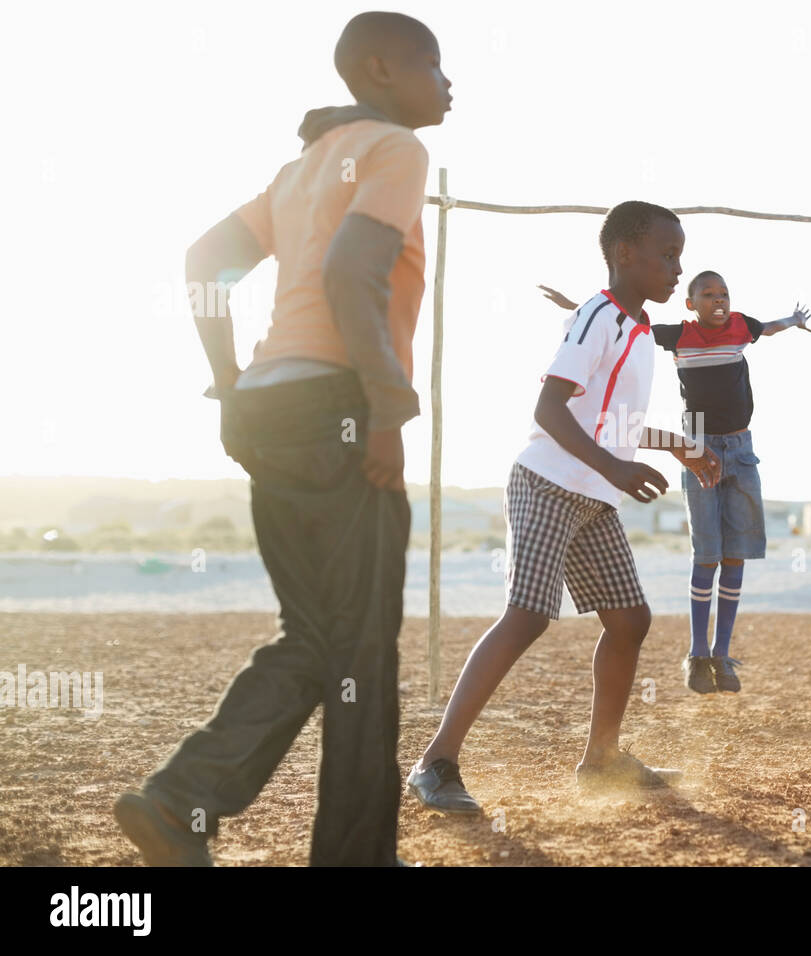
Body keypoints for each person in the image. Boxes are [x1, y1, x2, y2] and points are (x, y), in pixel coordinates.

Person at [113, 12, 451, 866]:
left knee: (318, 637)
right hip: (338, 410)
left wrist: (230, 386)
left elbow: (203, 260)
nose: (448, 85)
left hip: (272, 410)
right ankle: (338, 852)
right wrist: (385, 406)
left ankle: (182, 804)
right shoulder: (394, 150)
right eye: (432, 65)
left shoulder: (299, 170)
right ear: (380, 69)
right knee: (359, 646)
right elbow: (351, 270)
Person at [407, 202, 722, 815]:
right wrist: (615, 467)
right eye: (666, 254)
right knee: (527, 616)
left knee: (630, 620)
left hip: (594, 497)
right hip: (548, 482)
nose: (676, 268)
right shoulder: (596, 317)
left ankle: (602, 761)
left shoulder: (637, 335)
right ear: (624, 254)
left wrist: (679, 445)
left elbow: (614, 424)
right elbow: (549, 411)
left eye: (680, 256)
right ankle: (435, 762)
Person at [541, 271, 811, 694]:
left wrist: (794, 320)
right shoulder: (676, 334)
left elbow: (771, 329)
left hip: (741, 448)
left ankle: (722, 656)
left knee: (735, 554)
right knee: (707, 554)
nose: (718, 301)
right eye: (708, 295)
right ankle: (697, 655)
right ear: (691, 304)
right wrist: (574, 306)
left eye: (724, 294)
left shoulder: (743, 325)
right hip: (697, 442)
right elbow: (623, 322)